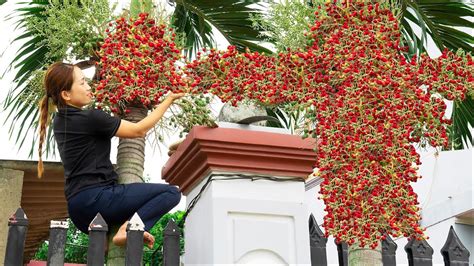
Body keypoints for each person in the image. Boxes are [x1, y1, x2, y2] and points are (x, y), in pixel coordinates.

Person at [37, 62, 183, 248]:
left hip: (77, 209)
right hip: (99, 199)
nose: (89, 86)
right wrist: (169, 99)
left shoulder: (60, 121)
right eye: (82, 83)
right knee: (171, 193)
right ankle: (128, 229)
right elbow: (139, 130)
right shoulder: (91, 118)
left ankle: (119, 232)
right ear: (66, 95)